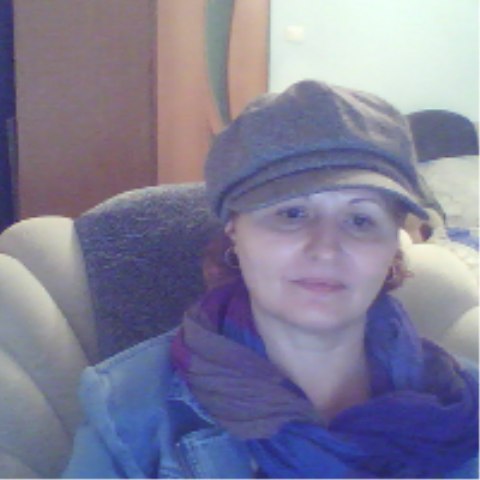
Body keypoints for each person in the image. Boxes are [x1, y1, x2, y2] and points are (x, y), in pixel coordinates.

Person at [63, 80, 478, 478]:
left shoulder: (465, 399)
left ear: (393, 245)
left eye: (360, 219)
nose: (325, 249)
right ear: (234, 230)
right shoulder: (129, 410)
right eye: (292, 213)